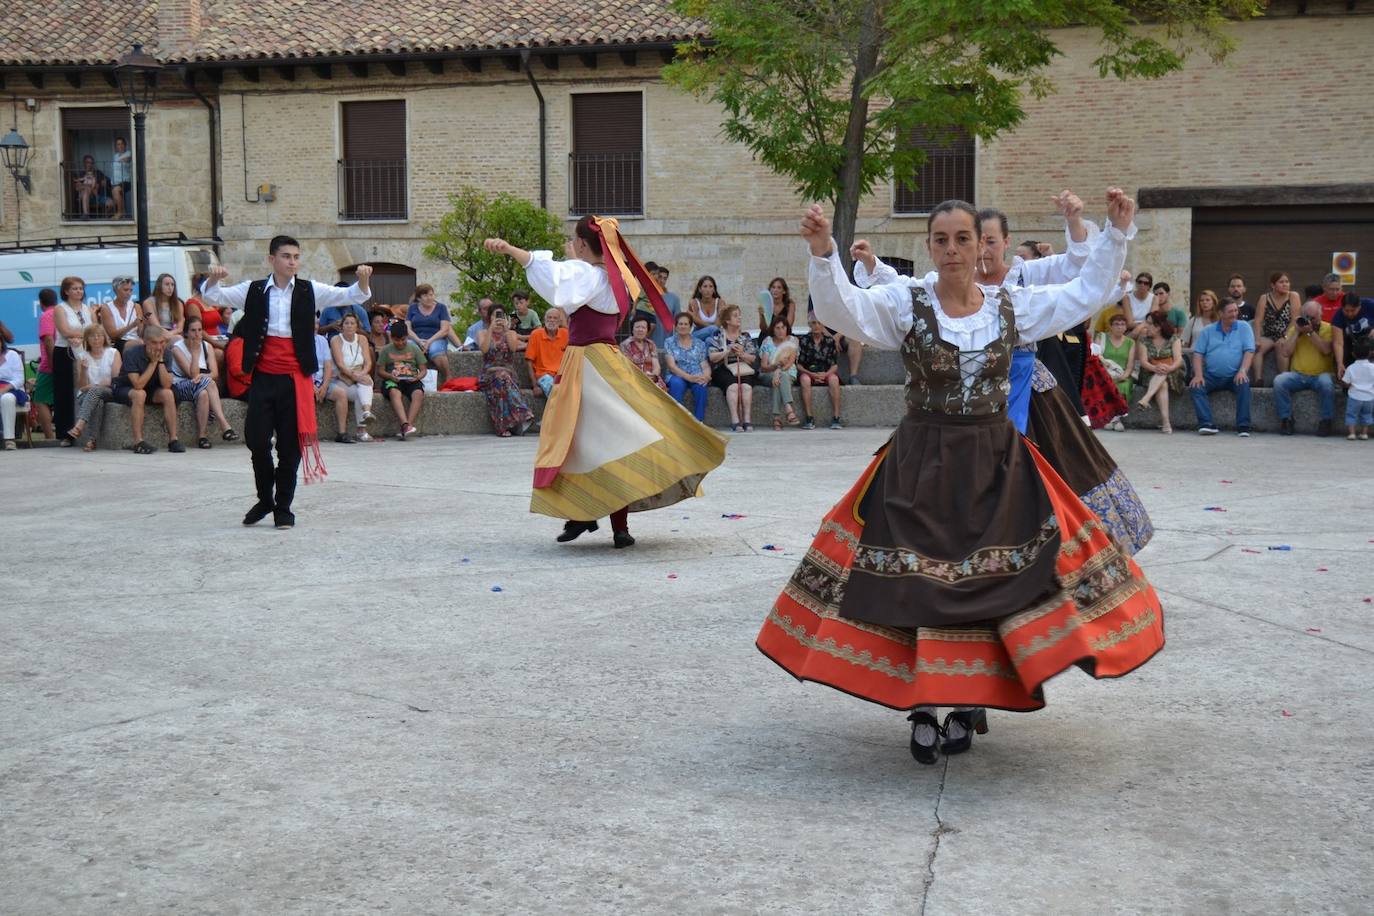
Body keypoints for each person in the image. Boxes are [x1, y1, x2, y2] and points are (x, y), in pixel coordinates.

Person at [758, 194, 1162, 767]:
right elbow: (846, 309)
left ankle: (967, 700)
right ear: (929, 248)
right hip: (920, 461)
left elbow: (1082, 295)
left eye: (963, 239)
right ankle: (924, 707)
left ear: (982, 246)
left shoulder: (1011, 306)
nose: (953, 250)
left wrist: (1116, 234)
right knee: (920, 583)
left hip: (995, 462)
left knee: (986, 583)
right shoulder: (907, 303)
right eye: (942, 240)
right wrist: (823, 252)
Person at [485, 214, 727, 548]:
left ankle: (589, 515)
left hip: (585, 364)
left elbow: (558, 278)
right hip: (610, 362)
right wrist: (574, 258)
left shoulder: (587, 275)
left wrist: (511, 249)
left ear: (583, 244)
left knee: (581, 440)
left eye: (576, 240)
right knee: (616, 439)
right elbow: (578, 281)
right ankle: (608, 522)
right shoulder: (623, 279)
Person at [200, 236, 373, 528]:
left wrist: (363, 281)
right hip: (264, 377)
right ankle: (265, 498)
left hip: (296, 379)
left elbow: (351, 296)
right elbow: (213, 297)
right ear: (272, 260)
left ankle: (283, 507)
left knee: (290, 447)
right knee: (256, 440)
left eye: (296, 256)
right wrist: (213, 280)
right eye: (286, 256)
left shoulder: (309, 290)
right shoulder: (254, 290)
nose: (292, 261)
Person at [170, 315, 238, 448]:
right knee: (209, 384)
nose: (197, 334)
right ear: (186, 332)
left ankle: (202, 436)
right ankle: (224, 424)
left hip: (200, 385)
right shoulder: (177, 349)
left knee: (204, 394)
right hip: (181, 385)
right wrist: (195, 354)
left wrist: (202, 377)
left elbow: (215, 373)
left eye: (200, 330)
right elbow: (191, 375)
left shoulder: (207, 346)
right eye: (193, 330)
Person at [1188, 300, 1255, 437]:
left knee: (1244, 384)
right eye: (1230, 311)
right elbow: (1198, 354)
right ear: (1220, 313)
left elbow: (1249, 351)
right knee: (1196, 386)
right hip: (1211, 375)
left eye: (1236, 310)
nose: (1235, 314)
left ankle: (1243, 426)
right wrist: (1198, 375)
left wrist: (1242, 371)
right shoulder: (1208, 331)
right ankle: (1206, 424)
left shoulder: (1244, 327)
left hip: (1234, 375)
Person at [112, 326, 182, 454]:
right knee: (140, 394)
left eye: (161, 342)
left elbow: (167, 384)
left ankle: (173, 439)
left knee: (168, 393)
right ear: (145, 341)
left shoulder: (166, 353)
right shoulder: (131, 353)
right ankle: (138, 441)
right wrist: (153, 363)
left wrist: (160, 361)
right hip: (125, 388)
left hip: (150, 387)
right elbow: (138, 384)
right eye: (154, 343)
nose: (159, 347)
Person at [1274, 300, 1336, 437]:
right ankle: (1286, 419)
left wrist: (1310, 333)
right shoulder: (1295, 328)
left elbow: (1326, 350)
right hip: (1298, 375)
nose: (1310, 321)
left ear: (1320, 315)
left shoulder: (1328, 328)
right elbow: (1286, 353)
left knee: (1327, 384)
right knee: (1279, 381)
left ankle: (1326, 421)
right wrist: (1296, 332)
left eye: (1313, 318)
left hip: (1321, 374)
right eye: (1307, 317)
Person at [477, 308, 535, 437]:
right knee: (500, 379)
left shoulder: (511, 333)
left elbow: (513, 348)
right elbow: (484, 349)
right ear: (490, 318)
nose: (498, 320)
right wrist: (491, 329)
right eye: (494, 316)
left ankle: (503, 427)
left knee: (502, 380)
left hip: (508, 373)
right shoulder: (483, 333)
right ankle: (522, 416)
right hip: (489, 373)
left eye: (501, 316)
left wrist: (507, 330)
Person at [64, 324, 120, 450]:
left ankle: (79, 425)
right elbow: (82, 387)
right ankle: (91, 440)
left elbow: (115, 380)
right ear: (87, 339)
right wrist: (84, 370)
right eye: (92, 336)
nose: (96, 339)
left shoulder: (113, 353)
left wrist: (95, 385)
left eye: (99, 336)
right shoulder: (82, 357)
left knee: (95, 391)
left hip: (109, 391)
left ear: (104, 338)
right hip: (87, 395)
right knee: (97, 402)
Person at [52, 276, 95, 439]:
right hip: (65, 352)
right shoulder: (60, 309)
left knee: (84, 387)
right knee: (65, 392)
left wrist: (87, 337)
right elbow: (65, 331)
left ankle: (83, 429)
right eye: (75, 288)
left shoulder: (87, 308)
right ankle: (64, 432)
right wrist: (87, 335)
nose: (79, 291)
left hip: (85, 350)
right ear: (66, 291)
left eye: (81, 288)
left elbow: (97, 329)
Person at [708, 304, 758, 431]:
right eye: (735, 316)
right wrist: (727, 351)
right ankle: (735, 420)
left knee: (746, 386)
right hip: (723, 368)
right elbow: (712, 357)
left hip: (743, 367)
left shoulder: (745, 336)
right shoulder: (718, 335)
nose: (739, 317)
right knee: (733, 386)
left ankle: (747, 420)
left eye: (739, 315)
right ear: (727, 320)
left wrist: (741, 354)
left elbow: (752, 358)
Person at [1133, 312, 1184, 434]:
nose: (1146, 327)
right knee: (1162, 383)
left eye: (1149, 324)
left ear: (1159, 326)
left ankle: (1146, 398)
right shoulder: (1144, 340)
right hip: (1149, 372)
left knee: (1163, 375)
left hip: (1172, 372)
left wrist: (1169, 368)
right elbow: (1144, 362)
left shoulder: (1173, 339)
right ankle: (1166, 423)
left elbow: (1178, 360)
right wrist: (1155, 368)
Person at [329, 313, 376, 441]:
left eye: (352, 323)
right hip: (341, 377)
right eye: (346, 323)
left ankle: (366, 413)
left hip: (359, 373)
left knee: (367, 382)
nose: (349, 326)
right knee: (358, 393)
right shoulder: (336, 340)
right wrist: (356, 377)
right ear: (342, 326)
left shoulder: (362, 339)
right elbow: (340, 364)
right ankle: (362, 429)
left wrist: (362, 374)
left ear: (357, 326)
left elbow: (368, 362)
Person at [377, 319, 427, 439]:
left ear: (407, 337)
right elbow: (380, 371)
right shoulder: (386, 350)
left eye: (403, 340)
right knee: (394, 392)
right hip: (392, 380)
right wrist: (390, 376)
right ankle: (404, 423)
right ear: (392, 338)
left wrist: (417, 377)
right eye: (396, 340)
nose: (400, 343)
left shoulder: (414, 349)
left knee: (418, 393)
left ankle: (408, 424)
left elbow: (424, 370)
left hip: (412, 380)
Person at [663, 312, 712, 421]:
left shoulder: (700, 344)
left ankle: (699, 422)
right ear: (675, 326)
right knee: (676, 384)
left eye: (686, 324)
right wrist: (689, 377)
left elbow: (704, 365)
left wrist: (707, 376)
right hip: (677, 375)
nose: (683, 326)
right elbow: (672, 366)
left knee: (701, 386)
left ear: (691, 327)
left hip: (696, 374)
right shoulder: (669, 342)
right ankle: (680, 421)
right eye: (680, 324)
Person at [796, 314, 842, 430]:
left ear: (823, 325)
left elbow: (834, 365)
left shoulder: (829, 341)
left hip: (825, 372)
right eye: (813, 323)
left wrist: (825, 375)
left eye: (819, 323)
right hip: (808, 371)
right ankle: (809, 417)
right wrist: (812, 374)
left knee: (834, 379)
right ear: (809, 325)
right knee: (805, 380)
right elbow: (799, 365)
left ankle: (836, 417)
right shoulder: (804, 340)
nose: (816, 326)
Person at [1252, 271, 1298, 384]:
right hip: (1268, 334)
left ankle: (1283, 379)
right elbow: (1258, 320)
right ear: (1273, 285)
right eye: (1281, 282)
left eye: (1287, 282)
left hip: (1287, 333)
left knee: (1281, 346)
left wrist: (1286, 336)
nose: (1285, 284)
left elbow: (1294, 319)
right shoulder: (1264, 298)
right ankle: (1258, 379)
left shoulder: (1293, 296)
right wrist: (1257, 338)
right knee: (1256, 349)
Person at [311, 323, 353, 443]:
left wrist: (324, 386)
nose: (315, 326)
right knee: (305, 396)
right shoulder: (299, 340)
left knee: (341, 394)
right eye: (312, 323)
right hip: (306, 381)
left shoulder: (322, 340)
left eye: (317, 323)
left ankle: (342, 433)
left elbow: (328, 365)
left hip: (321, 380)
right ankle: (307, 433)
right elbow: (301, 367)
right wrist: (311, 385)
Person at [758, 314, 800, 428]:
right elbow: (763, 366)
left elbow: (791, 362)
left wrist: (778, 372)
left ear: (787, 328)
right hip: (768, 374)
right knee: (780, 378)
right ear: (773, 329)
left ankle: (777, 418)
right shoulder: (768, 341)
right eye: (777, 328)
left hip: (788, 372)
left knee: (779, 380)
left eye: (783, 327)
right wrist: (775, 368)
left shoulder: (793, 340)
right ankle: (789, 409)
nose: (781, 331)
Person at [1096, 312, 1137, 428]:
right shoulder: (1102, 338)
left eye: (1123, 324)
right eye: (1116, 324)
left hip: (1122, 374)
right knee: (1106, 385)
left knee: (1124, 385)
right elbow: (1096, 356)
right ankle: (1111, 419)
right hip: (1103, 373)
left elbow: (1130, 364)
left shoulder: (1130, 342)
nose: (1120, 327)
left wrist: (1124, 375)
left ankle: (1116, 419)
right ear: (1111, 326)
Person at [407, 284, 452, 383]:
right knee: (409, 347)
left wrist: (429, 341)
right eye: (426, 295)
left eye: (431, 295)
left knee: (435, 350)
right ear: (419, 298)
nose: (429, 298)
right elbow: (408, 329)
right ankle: (409, 378)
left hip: (437, 338)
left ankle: (448, 377)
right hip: (417, 339)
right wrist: (419, 341)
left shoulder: (441, 308)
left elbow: (445, 329)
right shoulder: (412, 308)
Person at [525, 307, 569, 398]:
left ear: (560, 321)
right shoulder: (536, 334)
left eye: (555, 318)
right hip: (544, 375)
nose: (552, 320)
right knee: (555, 391)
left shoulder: (565, 334)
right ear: (544, 320)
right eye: (549, 317)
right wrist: (535, 386)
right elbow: (529, 362)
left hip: (561, 374)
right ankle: (558, 412)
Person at [31, 288, 57, 439]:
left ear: (41, 303)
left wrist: (52, 364)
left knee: (40, 400)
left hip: (49, 365)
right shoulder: (61, 312)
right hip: (59, 361)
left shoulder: (46, 315)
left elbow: (48, 340)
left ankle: (49, 437)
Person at [1332, 292, 1374, 380]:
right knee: (1342, 358)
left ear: (1359, 306)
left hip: (1369, 339)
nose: (1350, 314)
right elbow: (1338, 343)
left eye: (1353, 310)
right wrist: (1340, 363)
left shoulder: (1370, 305)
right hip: (1350, 342)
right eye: (1346, 311)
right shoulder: (1338, 316)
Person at [620, 315, 667, 391]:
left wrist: (654, 375)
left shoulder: (651, 344)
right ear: (632, 329)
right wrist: (644, 377)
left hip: (652, 378)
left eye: (643, 327)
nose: (640, 330)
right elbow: (628, 367)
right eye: (637, 327)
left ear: (647, 330)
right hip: (635, 378)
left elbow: (656, 365)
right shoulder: (625, 345)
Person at [1341, 336, 1374, 441]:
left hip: (1354, 396)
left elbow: (1346, 382)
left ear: (1353, 354)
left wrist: (1345, 384)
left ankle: (1352, 433)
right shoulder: (1373, 367)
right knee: (1367, 415)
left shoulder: (1351, 368)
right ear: (1370, 353)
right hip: (1369, 397)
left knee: (1351, 415)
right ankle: (1364, 433)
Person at [101, 275, 143, 353]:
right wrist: (132, 325)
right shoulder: (107, 308)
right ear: (116, 291)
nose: (129, 293)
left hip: (136, 339)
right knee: (140, 344)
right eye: (126, 290)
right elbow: (113, 335)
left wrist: (142, 325)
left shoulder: (136, 306)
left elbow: (140, 333)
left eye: (131, 290)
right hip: (118, 342)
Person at [0, 336, 28, 450]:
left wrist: (4, 389)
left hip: (12, 389)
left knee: (7, 398)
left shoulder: (12, 355)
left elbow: (19, 379)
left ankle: (9, 440)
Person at [1180, 288, 1219, 368]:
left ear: (1214, 302)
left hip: (1214, 358)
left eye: (1208, 300)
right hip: (1194, 357)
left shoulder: (1220, 321)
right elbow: (1185, 342)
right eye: (1202, 300)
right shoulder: (1194, 320)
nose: (1204, 302)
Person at [142, 273, 185, 341]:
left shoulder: (178, 303)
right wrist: (168, 335)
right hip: (155, 334)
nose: (170, 288)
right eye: (167, 284)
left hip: (173, 334)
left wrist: (170, 334)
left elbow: (180, 328)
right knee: (178, 339)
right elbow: (155, 325)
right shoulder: (148, 302)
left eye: (172, 285)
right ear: (159, 286)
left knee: (179, 339)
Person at [688, 276, 723, 342]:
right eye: (705, 286)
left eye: (710, 286)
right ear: (700, 289)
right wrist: (712, 327)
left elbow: (718, 324)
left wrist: (712, 327)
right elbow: (698, 323)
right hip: (698, 334)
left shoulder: (720, 302)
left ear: (714, 289)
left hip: (714, 336)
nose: (708, 290)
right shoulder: (694, 302)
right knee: (713, 330)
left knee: (708, 339)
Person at [111, 137, 131, 219]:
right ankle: (123, 213)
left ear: (125, 145)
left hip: (125, 180)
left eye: (122, 143)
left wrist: (122, 159)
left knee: (116, 191)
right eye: (118, 144)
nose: (120, 146)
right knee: (116, 195)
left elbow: (127, 159)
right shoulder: (115, 156)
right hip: (115, 182)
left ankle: (119, 213)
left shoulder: (128, 153)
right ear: (116, 146)